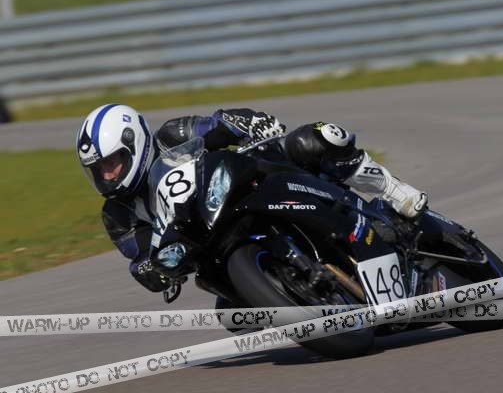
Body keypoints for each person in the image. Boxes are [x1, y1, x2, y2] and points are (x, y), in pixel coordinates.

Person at [76, 104, 428, 293]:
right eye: (98, 169)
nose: (107, 174)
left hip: (246, 189)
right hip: (209, 246)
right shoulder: (118, 213)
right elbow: (140, 255)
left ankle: (392, 189)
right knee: (235, 319)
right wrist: (149, 270)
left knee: (316, 138)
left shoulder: (173, 134)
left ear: (134, 143)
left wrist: (250, 124)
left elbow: (221, 124)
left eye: (112, 162)